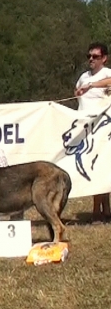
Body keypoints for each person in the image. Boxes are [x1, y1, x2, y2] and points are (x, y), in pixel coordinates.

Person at [74, 42, 111, 223]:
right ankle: (102, 208)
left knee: (101, 167)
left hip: (103, 129)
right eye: (89, 56)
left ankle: (100, 209)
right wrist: (80, 90)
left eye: (95, 56)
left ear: (104, 58)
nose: (91, 59)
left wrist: (92, 86)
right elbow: (78, 94)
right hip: (86, 129)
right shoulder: (83, 76)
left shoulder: (106, 74)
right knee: (93, 167)